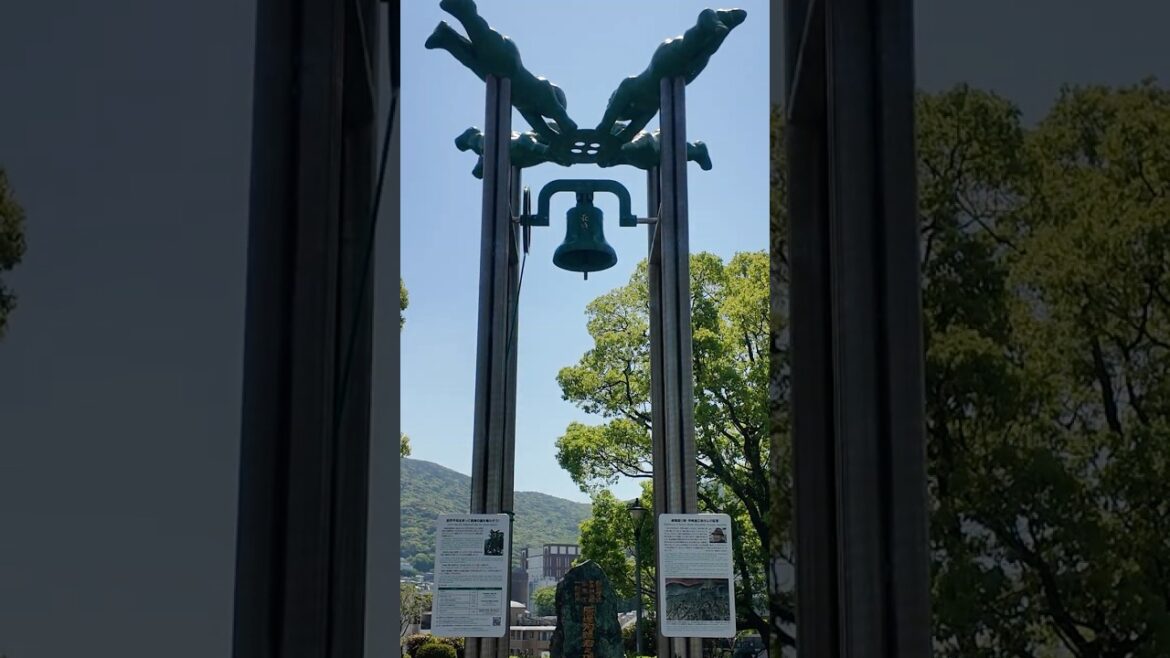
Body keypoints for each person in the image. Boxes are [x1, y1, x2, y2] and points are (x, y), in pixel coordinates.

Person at [425, 0, 577, 142]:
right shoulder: (543, 89)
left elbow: (543, 130)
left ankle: (446, 36)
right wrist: (569, 132)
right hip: (509, 64)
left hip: (499, 79)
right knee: (482, 38)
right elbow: (560, 115)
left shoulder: (527, 107)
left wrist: (557, 142)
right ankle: (464, 8)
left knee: (470, 59)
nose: (547, 115)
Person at [595, 8, 747, 142]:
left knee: (687, 47)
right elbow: (630, 132)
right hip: (679, 80)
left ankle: (708, 16)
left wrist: (603, 132)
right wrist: (614, 145)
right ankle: (725, 24)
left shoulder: (629, 85)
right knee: (705, 52)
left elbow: (609, 116)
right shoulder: (650, 107)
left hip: (661, 66)